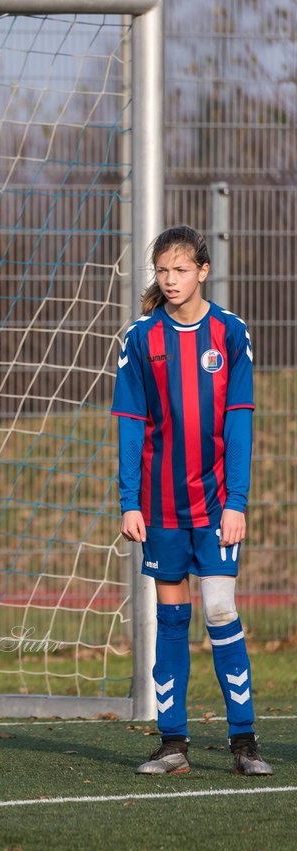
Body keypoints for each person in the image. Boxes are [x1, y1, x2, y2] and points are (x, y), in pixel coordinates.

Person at [112, 225, 271, 776]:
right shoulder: (140, 338)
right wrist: (129, 501)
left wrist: (238, 502)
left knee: (222, 610)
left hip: (216, 504)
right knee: (171, 618)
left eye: (180, 270)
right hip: (159, 507)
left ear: (203, 270)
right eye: (162, 271)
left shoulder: (230, 333)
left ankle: (244, 742)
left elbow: (240, 422)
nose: (170, 280)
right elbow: (131, 427)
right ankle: (172, 742)